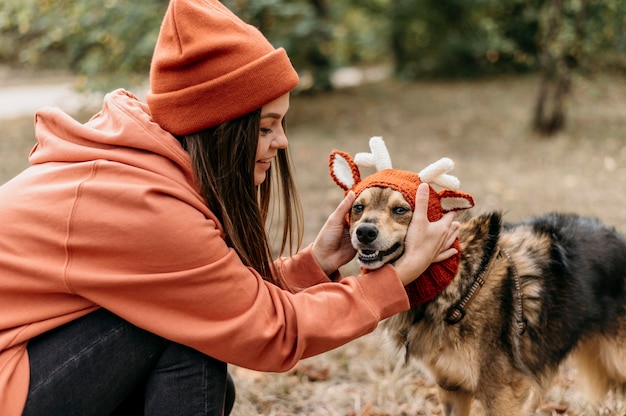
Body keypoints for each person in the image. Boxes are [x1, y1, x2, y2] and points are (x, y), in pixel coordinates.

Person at [0, 0, 459, 414]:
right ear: (219, 129)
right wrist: (393, 280)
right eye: (265, 128)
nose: (280, 144)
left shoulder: (142, 171)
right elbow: (267, 330)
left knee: (195, 336)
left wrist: (314, 265)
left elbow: (221, 296)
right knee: (189, 337)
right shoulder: (141, 204)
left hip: (31, 364)